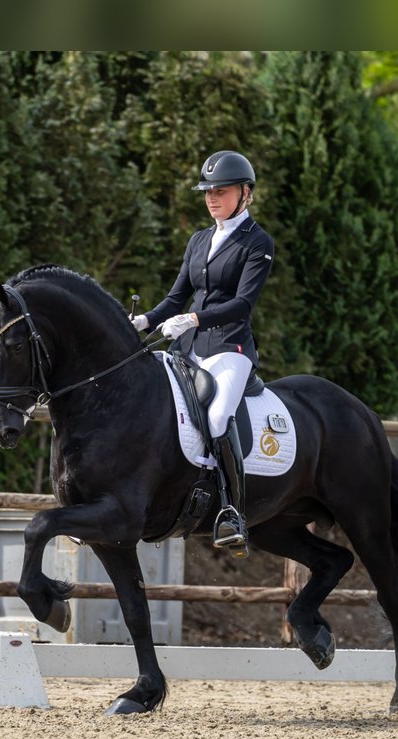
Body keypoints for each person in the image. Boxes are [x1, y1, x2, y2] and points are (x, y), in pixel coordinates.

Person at [133, 150, 274, 554]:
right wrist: (144, 320)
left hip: (230, 348)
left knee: (216, 416)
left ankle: (231, 510)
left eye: (221, 191)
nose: (212, 198)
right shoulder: (199, 240)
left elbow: (243, 304)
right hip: (188, 348)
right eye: (208, 191)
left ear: (245, 194)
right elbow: (177, 296)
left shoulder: (258, 242)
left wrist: (194, 320)